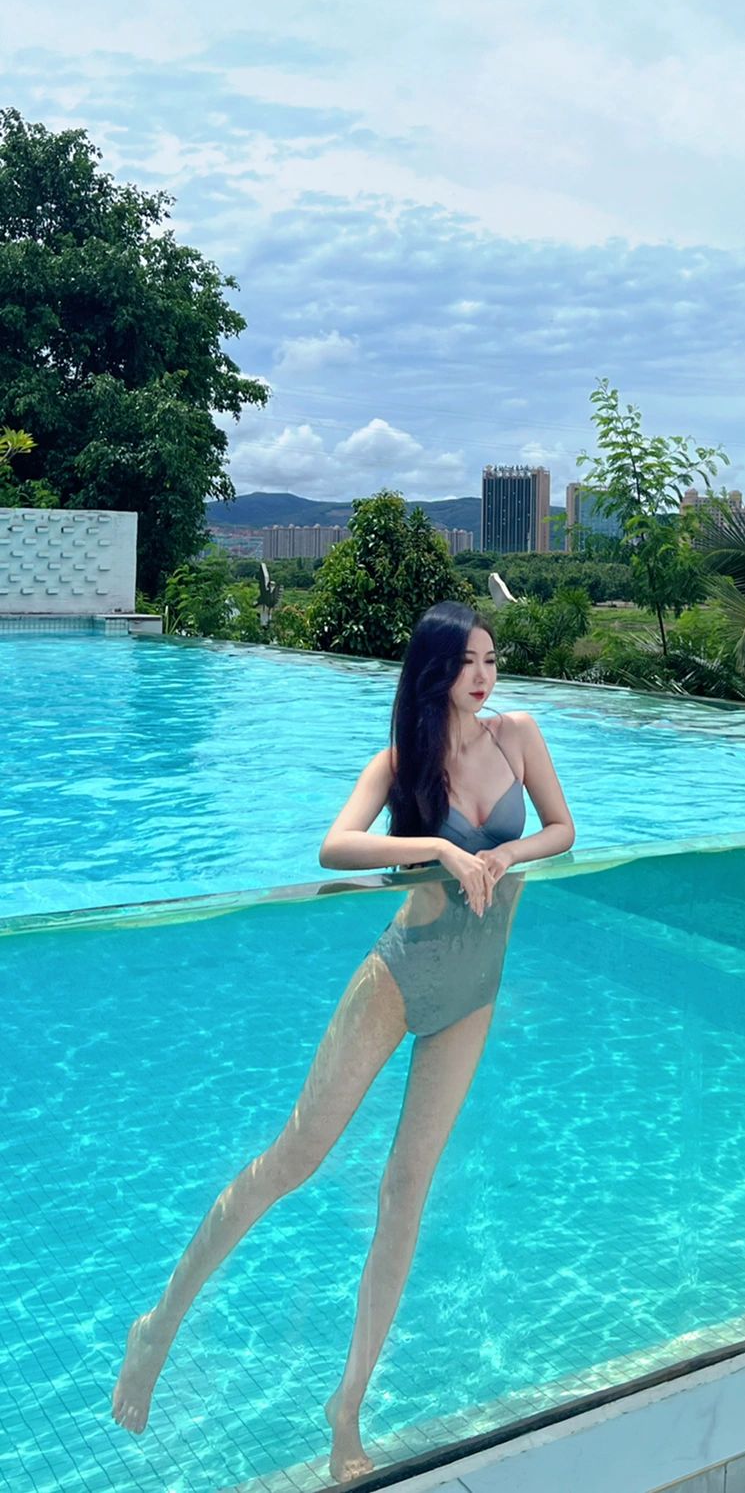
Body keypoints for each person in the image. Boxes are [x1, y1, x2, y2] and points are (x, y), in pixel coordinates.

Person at [110, 601, 575, 1483]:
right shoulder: (402, 761)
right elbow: (335, 847)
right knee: (294, 1158)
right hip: (399, 976)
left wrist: (507, 856)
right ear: (435, 670)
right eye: (467, 662)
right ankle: (158, 1326)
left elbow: (562, 828)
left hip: (475, 991)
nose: (484, 676)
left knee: (406, 1192)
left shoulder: (518, 735)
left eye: (491, 659)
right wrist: (441, 848)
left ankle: (348, 1408)